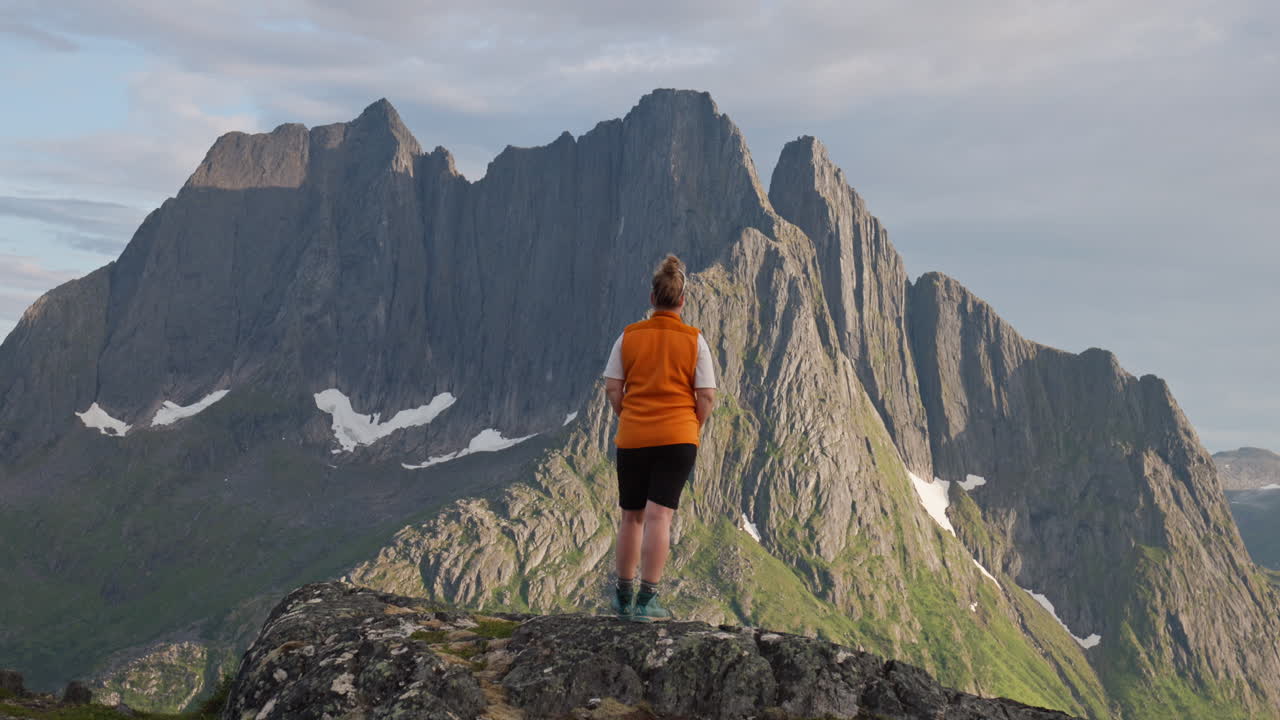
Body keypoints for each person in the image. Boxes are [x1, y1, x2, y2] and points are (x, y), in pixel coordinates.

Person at [601, 254, 716, 621]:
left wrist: (626, 414)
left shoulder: (629, 336)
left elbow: (612, 387)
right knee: (659, 517)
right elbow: (708, 395)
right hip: (678, 437)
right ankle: (647, 602)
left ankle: (623, 596)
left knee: (631, 517)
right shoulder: (695, 340)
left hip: (634, 434)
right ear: (682, 301)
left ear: (652, 297)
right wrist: (691, 426)